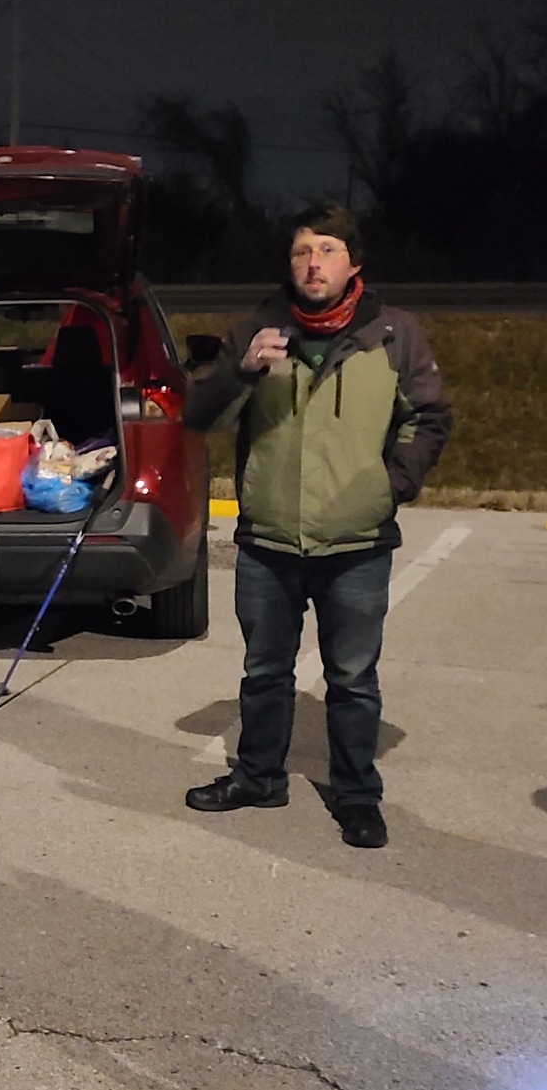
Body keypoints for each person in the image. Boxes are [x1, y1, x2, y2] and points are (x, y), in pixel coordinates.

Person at [179, 204, 452, 849]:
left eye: (327, 250)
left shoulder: (393, 333)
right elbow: (200, 416)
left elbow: (430, 416)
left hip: (357, 542)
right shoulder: (255, 331)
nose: (313, 263)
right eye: (302, 251)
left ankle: (356, 794)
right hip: (269, 540)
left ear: (353, 264)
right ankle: (258, 777)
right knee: (264, 671)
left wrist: (390, 486)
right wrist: (241, 370)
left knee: (352, 679)